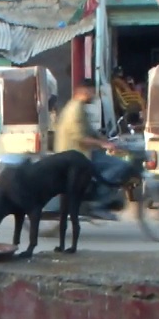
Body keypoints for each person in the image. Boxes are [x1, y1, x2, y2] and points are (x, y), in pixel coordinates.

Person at [54, 79, 116, 220]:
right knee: (116, 168)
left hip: (81, 154)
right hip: (75, 157)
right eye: (92, 91)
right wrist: (103, 145)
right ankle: (99, 205)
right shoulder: (74, 110)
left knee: (112, 162)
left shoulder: (80, 108)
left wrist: (107, 140)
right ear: (83, 91)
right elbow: (81, 138)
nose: (94, 95)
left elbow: (90, 131)